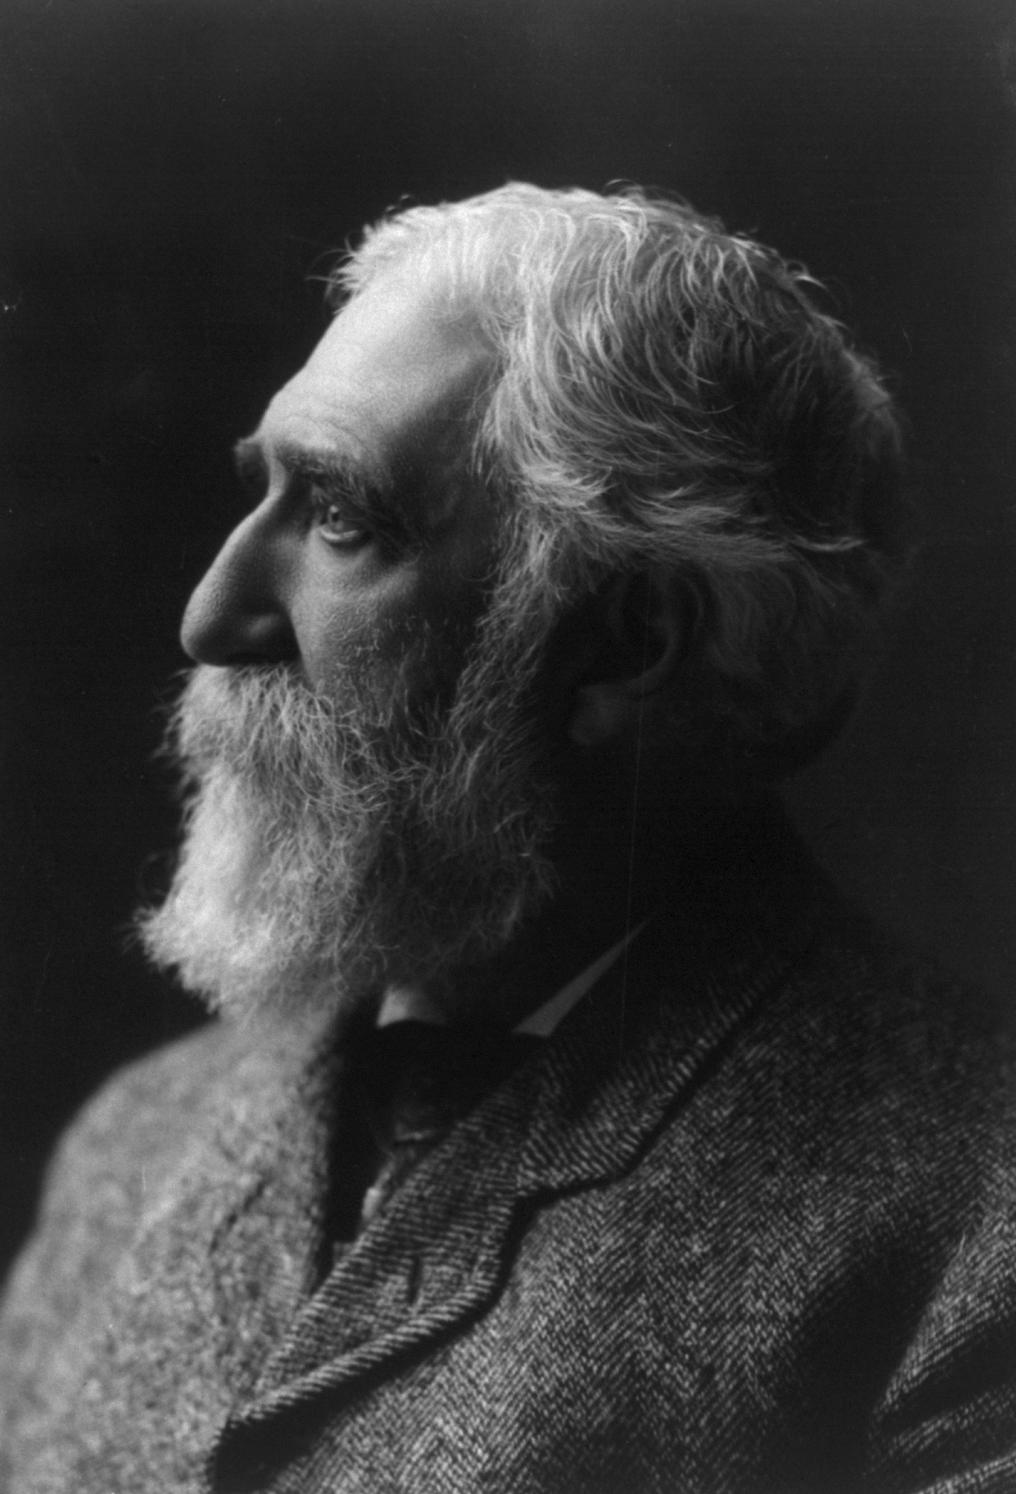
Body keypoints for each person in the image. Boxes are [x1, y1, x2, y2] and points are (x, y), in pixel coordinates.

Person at [1, 183, 1013, 1494]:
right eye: (265, 494)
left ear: (624, 642)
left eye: (343, 516)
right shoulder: (132, 1146)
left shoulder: (973, 1235)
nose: (211, 615)